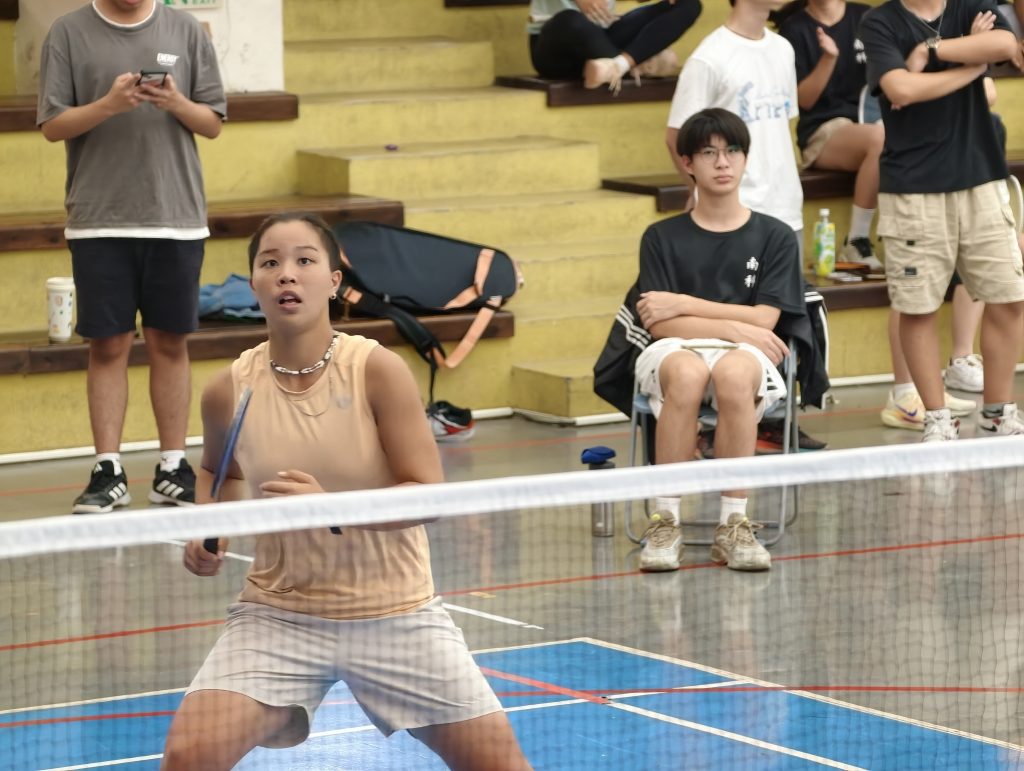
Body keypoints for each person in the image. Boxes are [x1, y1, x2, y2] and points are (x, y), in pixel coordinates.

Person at [160, 213, 530, 770]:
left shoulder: (377, 371)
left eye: (305, 260)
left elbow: (429, 495)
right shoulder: (229, 389)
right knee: (188, 756)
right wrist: (209, 527)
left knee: (501, 766)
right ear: (254, 283)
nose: (287, 274)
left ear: (334, 282)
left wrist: (331, 508)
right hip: (279, 615)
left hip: (395, 612)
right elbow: (218, 471)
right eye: (270, 263)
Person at [37, 0, 225, 513]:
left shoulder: (186, 31)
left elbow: (211, 122)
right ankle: (108, 470)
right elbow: (53, 125)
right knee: (107, 346)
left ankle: (172, 467)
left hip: (175, 216)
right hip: (99, 219)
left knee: (170, 343)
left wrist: (175, 102)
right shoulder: (68, 32)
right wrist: (109, 104)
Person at [601, 108, 806, 574]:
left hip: (748, 351)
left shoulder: (775, 236)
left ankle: (733, 524)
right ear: (687, 163)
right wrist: (734, 327)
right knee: (688, 373)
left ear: (745, 159)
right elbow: (660, 325)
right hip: (676, 349)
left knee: (734, 373)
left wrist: (685, 305)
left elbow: (765, 319)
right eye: (709, 153)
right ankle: (665, 522)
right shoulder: (660, 237)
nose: (722, 162)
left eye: (732, 150)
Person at [860, 0, 1024, 441]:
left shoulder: (970, 6)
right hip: (913, 187)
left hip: (981, 178)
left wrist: (930, 51)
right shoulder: (879, 22)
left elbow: (1006, 43)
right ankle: (936, 417)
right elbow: (901, 90)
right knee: (918, 308)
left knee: (1010, 296)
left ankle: (997, 411)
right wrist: (972, 66)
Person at [666, 0, 805, 257]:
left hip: (787, 209)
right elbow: (677, 135)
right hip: (733, 215)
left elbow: (782, 125)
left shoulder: (783, 48)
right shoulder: (709, 56)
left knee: (787, 285)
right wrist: (698, 190)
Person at [777, 0, 884, 268]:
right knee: (880, 139)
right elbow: (804, 101)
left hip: (871, 120)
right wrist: (828, 58)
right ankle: (856, 240)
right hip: (823, 129)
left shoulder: (866, 16)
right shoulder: (794, 29)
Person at [528, 0, 701, 92]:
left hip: (603, 35)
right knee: (570, 19)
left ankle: (621, 64)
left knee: (689, 4)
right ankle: (640, 63)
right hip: (556, 45)